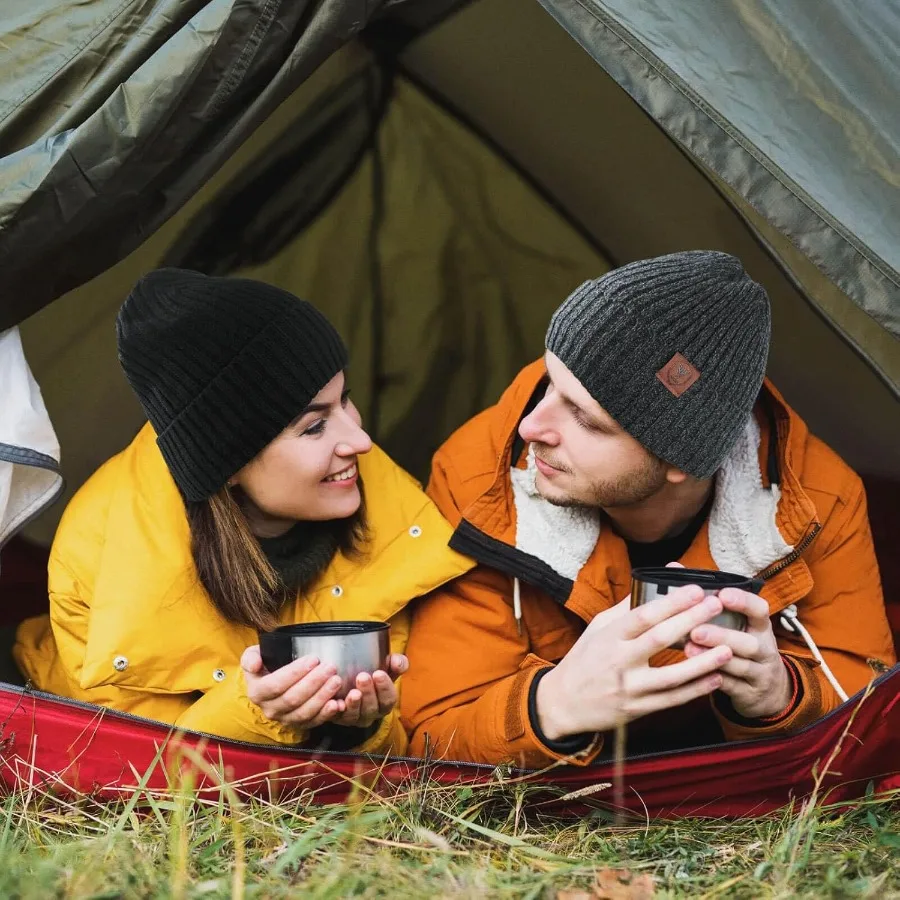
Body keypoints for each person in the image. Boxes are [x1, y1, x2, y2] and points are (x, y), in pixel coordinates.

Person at [401, 251, 896, 768]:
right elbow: (429, 741)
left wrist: (781, 698)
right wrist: (553, 705)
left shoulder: (812, 501)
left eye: (585, 420)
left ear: (679, 457)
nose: (532, 428)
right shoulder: (481, 477)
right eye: (550, 382)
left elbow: (869, 726)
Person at [14, 269, 471, 753]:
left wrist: (356, 728)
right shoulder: (106, 563)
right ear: (227, 463)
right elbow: (137, 779)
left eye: (346, 401)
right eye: (314, 426)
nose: (360, 441)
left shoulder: (396, 519)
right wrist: (258, 715)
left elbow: (418, 755)